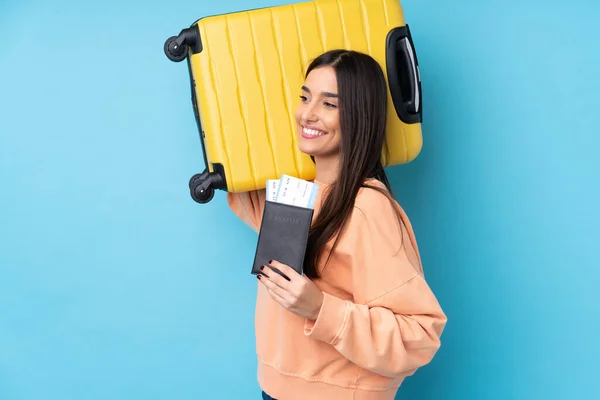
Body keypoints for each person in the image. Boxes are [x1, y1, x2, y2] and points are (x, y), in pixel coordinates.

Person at [227, 49, 447, 400]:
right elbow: (242, 191)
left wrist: (320, 308)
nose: (307, 114)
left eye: (329, 104)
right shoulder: (299, 194)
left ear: (359, 116)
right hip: (274, 390)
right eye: (304, 97)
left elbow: (420, 333)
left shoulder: (367, 208)